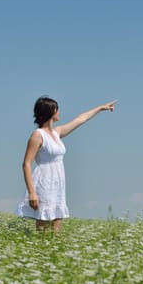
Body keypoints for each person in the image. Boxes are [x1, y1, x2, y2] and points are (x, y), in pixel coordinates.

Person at [16, 95, 117, 234]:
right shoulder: (37, 135)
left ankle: (54, 251)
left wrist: (100, 108)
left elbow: (81, 119)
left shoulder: (56, 133)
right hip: (44, 182)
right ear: (50, 112)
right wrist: (32, 193)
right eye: (57, 109)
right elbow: (26, 164)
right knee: (43, 222)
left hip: (58, 182)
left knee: (57, 221)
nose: (59, 112)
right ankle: (41, 247)